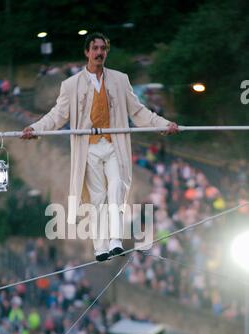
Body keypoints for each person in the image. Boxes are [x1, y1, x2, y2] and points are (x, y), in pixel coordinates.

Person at [22, 32, 179, 261]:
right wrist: (35, 129)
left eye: (103, 49)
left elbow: (138, 111)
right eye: (95, 48)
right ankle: (100, 246)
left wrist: (163, 124)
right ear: (87, 52)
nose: (99, 53)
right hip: (89, 147)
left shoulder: (119, 79)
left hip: (114, 143)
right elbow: (57, 115)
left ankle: (115, 239)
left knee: (117, 188)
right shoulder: (71, 85)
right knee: (98, 197)